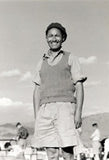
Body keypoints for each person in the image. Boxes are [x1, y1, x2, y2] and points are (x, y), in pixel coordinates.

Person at [32, 22, 87, 160]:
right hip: (45, 110)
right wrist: (37, 115)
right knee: (51, 152)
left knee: (67, 151)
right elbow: (37, 90)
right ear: (46, 38)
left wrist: (78, 113)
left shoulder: (71, 58)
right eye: (50, 36)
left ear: (63, 38)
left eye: (57, 35)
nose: (54, 38)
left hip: (65, 108)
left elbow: (79, 86)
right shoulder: (41, 62)